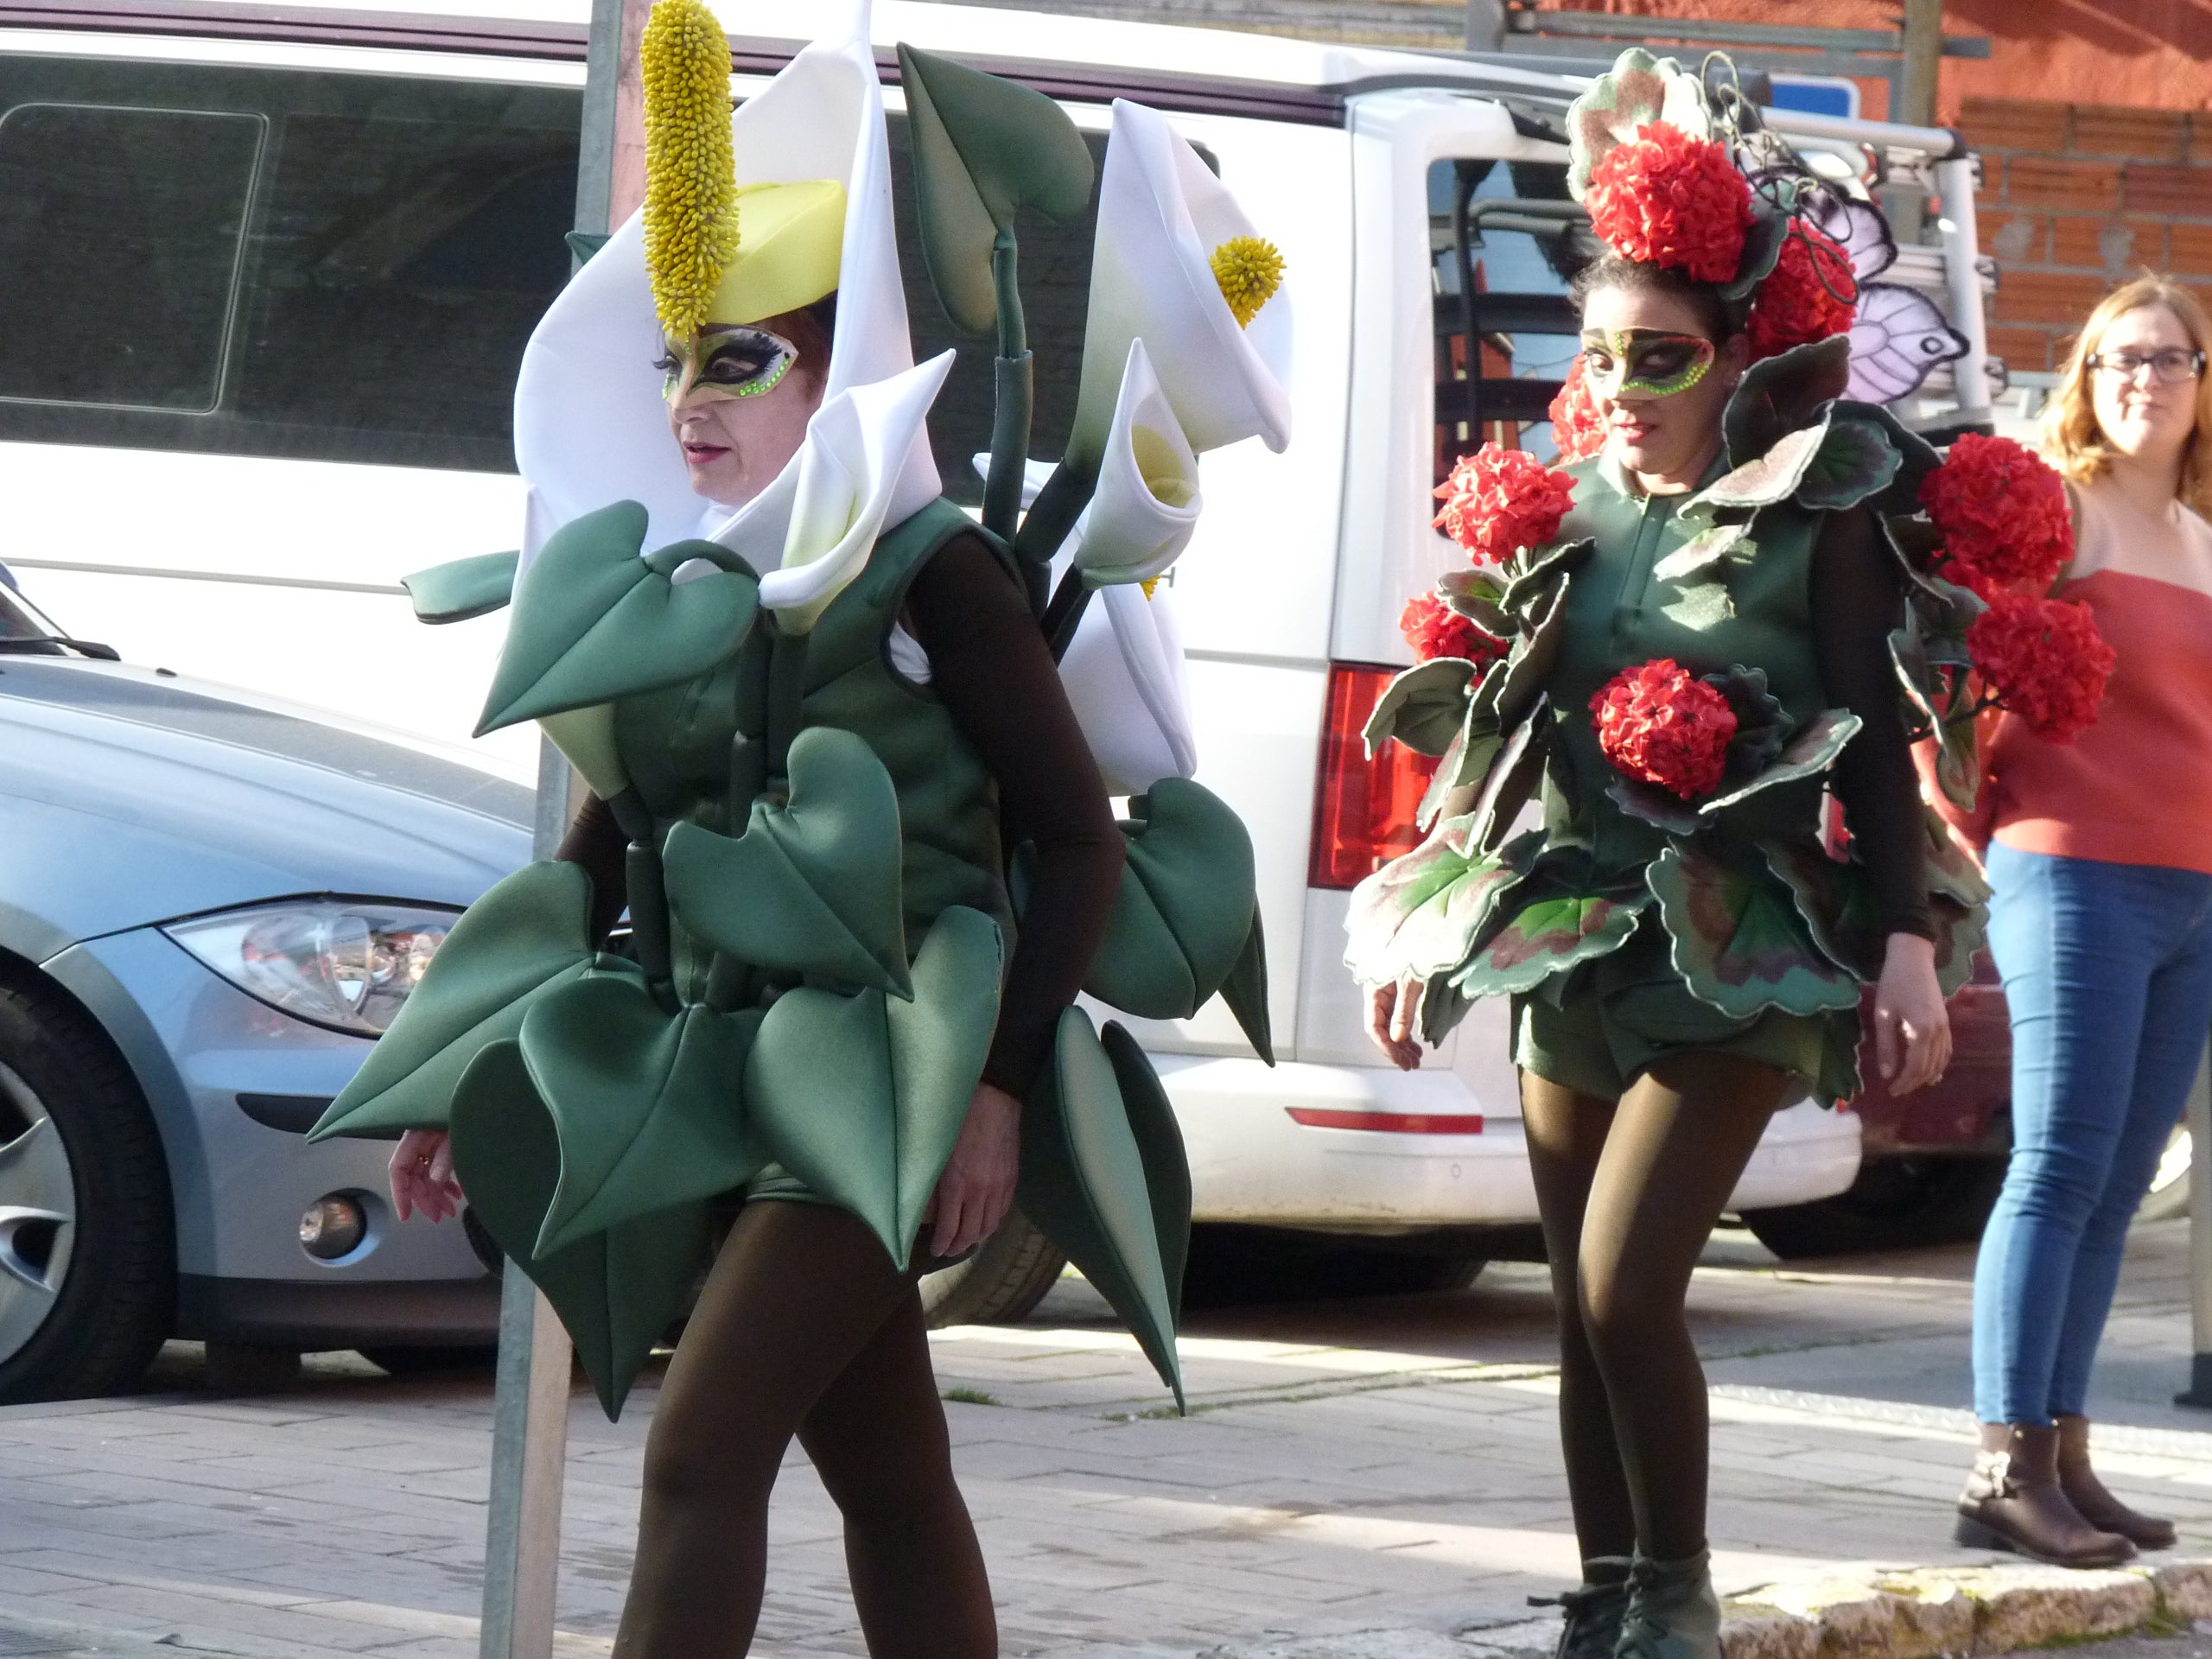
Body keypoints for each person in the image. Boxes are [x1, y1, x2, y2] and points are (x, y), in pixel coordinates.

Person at [308, 5, 1278, 1653]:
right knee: (892, 1478)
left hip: (885, 1075)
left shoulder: (938, 572)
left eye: (742, 355)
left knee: (702, 1455)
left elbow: (1079, 837)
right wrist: (471, 1079)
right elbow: (600, 852)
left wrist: (993, 1095)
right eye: (677, 355)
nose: (692, 396)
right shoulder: (684, 576)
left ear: (842, 367)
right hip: (724, 1067)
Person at [1346, 49, 2012, 1659]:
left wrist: (1909, 936)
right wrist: (1423, 915)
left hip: (1751, 948)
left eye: (1664, 359)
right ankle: (1610, 1601)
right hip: (1568, 935)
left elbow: (1872, 718)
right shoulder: (1564, 504)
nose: (1628, 392)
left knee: (1635, 1284)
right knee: (1579, 1303)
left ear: (1735, 357)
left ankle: (1683, 1595)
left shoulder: (1817, 510)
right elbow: (1503, 723)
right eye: (1604, 359)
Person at [1942, 274, 2212, 1566]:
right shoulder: (2060, 513)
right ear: (2086, 374)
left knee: (2111, 1187)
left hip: (2192, 893)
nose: (2142, 378)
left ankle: (2066, 1450)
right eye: (2118, 356)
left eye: (2168, 357)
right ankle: (2002, 1469)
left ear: (2202, 382)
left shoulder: (2208, 543)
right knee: (2053, 1167)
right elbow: (1935, 668)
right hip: (2072, 874)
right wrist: (1959, 819)